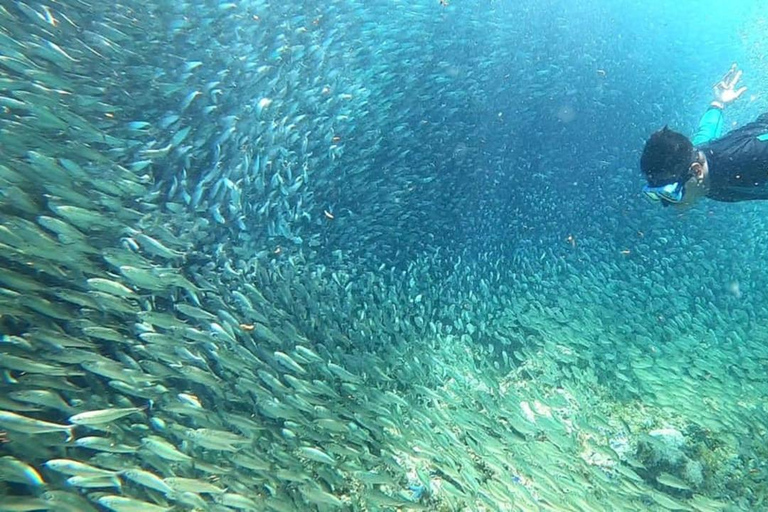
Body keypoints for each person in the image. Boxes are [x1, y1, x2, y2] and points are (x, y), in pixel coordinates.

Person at [640, 64, 768, 207]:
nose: (666, 203)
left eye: (671, 192)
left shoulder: (751, 156)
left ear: (696, 171)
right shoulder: (696, 159)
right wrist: (718, 102)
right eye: (655, 194)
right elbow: (706, 131)